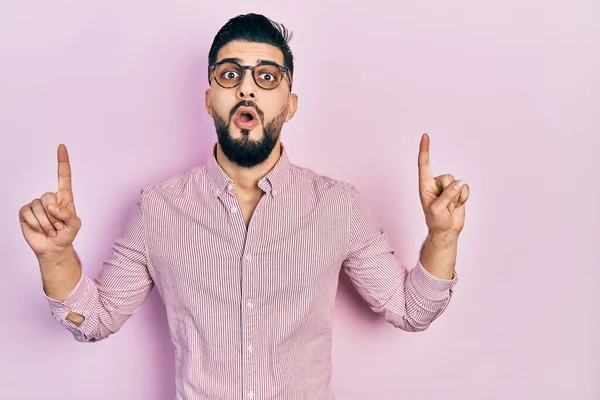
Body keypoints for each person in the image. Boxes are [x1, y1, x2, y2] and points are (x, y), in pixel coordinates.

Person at [19, 13, 470, 400]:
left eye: (267, 76)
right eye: (230, 74)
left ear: (289, 104)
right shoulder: (158, 209)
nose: (247, 89)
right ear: (209, 96)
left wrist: (443, 236)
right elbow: (92, 321)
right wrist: (55, 255)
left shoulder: (339, 206)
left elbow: (412, 311)